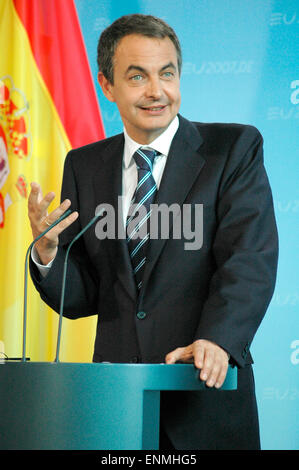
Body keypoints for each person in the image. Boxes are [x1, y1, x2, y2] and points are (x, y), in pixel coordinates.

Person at [28, 14, 278, 450]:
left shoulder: (232, 150)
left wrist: (218, 340)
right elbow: (84, 295)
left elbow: (249, 259)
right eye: (137, 76)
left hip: (204, 396)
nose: (156, 91)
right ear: (106, 85)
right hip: (114, 407)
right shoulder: (84, 165)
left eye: (167, 73)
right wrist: (49, 254)